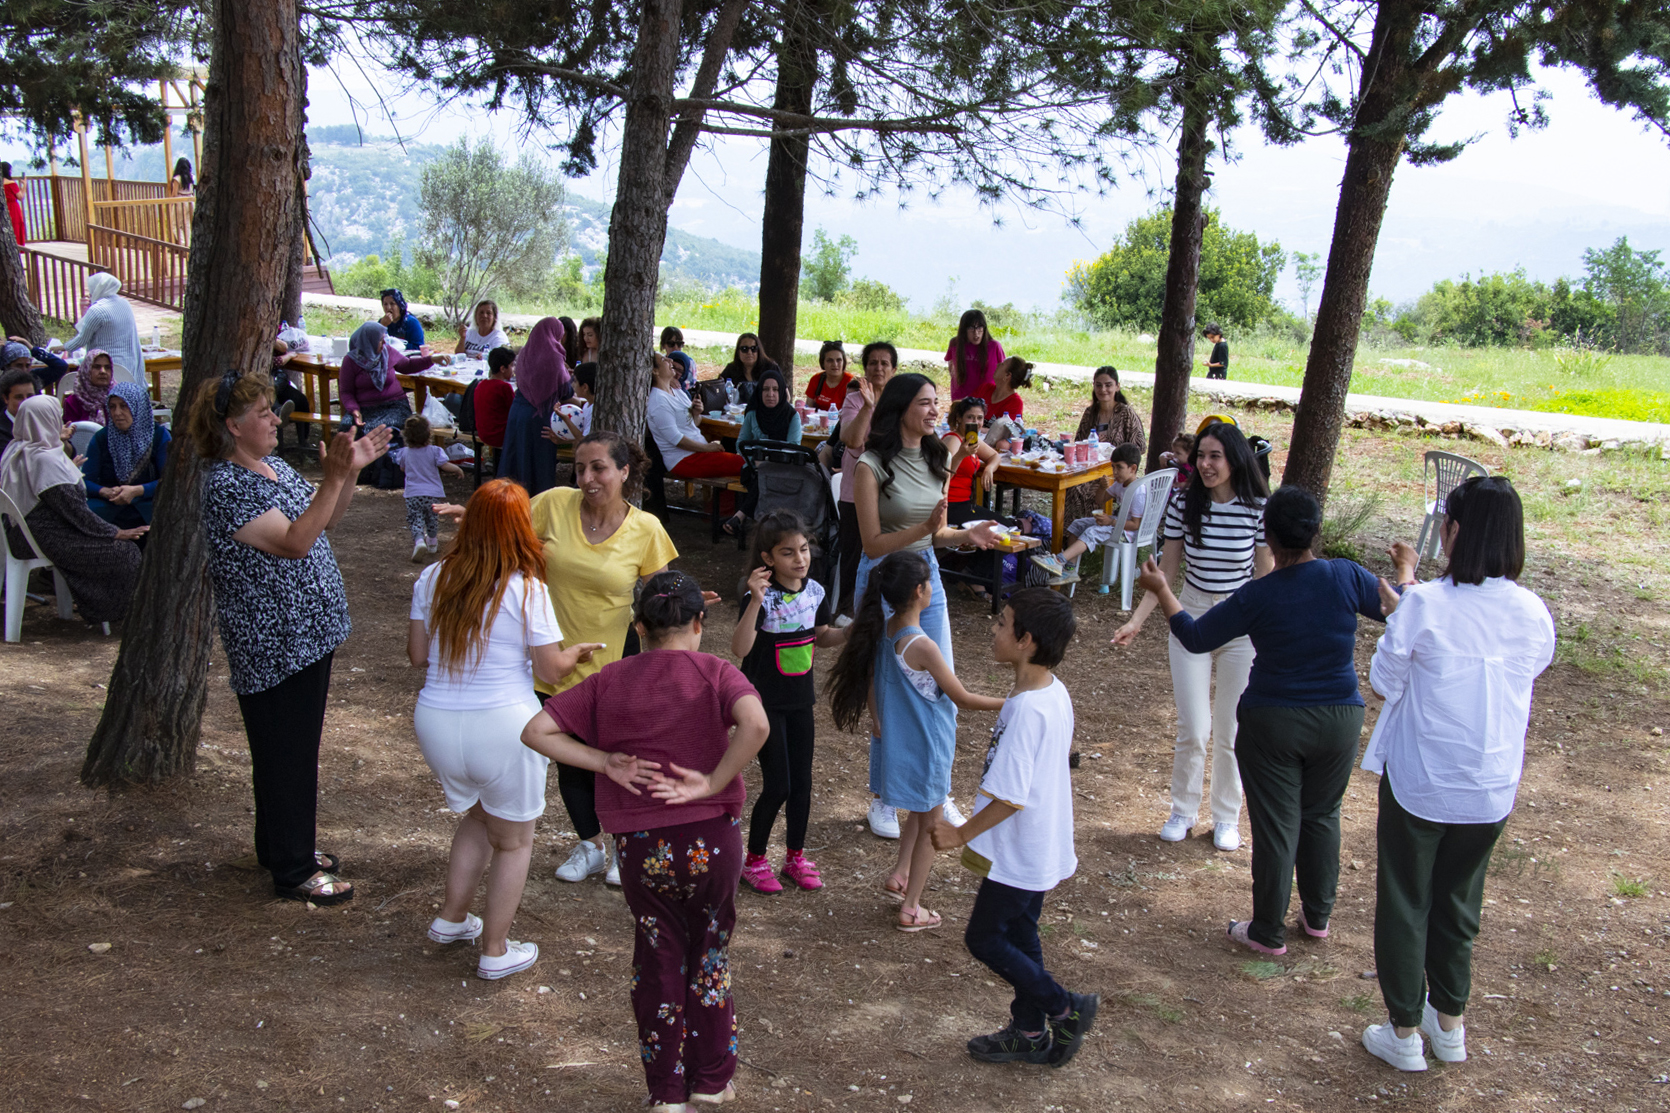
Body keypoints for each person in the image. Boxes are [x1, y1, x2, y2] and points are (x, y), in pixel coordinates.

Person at [521, 570, 769, 1112]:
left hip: (641, 846)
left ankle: (666, 1094)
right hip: (712, 839)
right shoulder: (717, 673)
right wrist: (714, 779)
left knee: (659, 956)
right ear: (699, 623)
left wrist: (603, 762)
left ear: (638, 626)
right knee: (710, 953)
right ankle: (711, 1081)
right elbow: (756, 725)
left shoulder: (609, 679)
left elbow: (536, 732)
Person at [1136, 486, 1390, 957]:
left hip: (1273, 719)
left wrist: (1164, 591)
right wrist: (1409, 574)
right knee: (1322, 815)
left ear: (1267, 535)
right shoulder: (1346, 576)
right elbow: (1397, 608)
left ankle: (1267, 931)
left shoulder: (1258, 594)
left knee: (1277, 826)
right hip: (1341, 716)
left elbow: (1194, 637)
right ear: (1317, 531)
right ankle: (1317, 918)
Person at [1358, 476, 1555, 1073]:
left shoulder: (1425, 604)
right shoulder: (1531, 612)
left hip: (1423, 780)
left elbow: (1384, 681)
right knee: (1458, 903)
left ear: (1456, 532)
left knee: (1405, 901)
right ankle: (1450, 1025)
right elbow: (1529, 671)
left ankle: (1404, 1031)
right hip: (1490, 785)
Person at [194, 368, 390, 905]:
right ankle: (293, 868)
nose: (275, 418)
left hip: (309, 635)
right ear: (233, 426)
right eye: (262, 413)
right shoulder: (227, 484)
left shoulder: (273, 466)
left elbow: (325, 519)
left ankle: (283, 845)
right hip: (275, 644)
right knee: (287, 754)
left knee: (295, 749)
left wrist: (349, 473)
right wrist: (331, 474)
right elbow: (295, 543)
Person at [408, 479, 603, 980]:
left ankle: (452, 919)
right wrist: (577, 653)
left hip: (436, 722)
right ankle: (495, 949)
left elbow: (417, 655)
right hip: (503, 726)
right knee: (514, 841)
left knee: (476, 816)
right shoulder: (526, 587)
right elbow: (552, 670)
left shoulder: (432, 577)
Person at [930, 588, 1098, 1068]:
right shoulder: (1048, 691)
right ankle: (1027, 1031)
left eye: (1002, 623)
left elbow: (1010, 796)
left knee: (983, 938)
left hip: (1020, 851)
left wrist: (958, 835)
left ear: (1025, 640)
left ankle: (1065, 1007)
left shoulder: (1026, 709)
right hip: (1036, 845)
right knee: (1022, 935)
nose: (994, 629)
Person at [853, 369, 1001, 838]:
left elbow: (936, 531)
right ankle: (883, 797)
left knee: (941, 691)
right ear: (901, 409)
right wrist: (926, 532)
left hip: (925, 581)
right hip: (883, 581)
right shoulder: (870, 466)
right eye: (925, 403)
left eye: (936, 402)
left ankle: (935, 792)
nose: (936, 411)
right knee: (890, 696)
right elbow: (873, 544)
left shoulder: (938, 456)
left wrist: (966, 534)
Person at [528, 431, 679, 887]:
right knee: (570, 758)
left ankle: (622, 844)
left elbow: (661, 597)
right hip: (549, 658)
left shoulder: (645, 528)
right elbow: (504, 536)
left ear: (624, 472)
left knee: (616, 758)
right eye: (580, 468)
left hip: (612, 665)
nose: (588, 478)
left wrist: (683, 610)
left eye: (599, 468)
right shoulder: (552, 503)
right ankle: (591, 844)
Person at [1112, 420, 1271, 851]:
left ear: (1235, 459)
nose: (1204, 464)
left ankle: (1226, 817)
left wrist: (1268, 631)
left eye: (1214, 456)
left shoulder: (1258, 506)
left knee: (1230, 727)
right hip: (1192, 616)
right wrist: (1138, 620)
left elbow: (1264, 576)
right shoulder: (1184, 503)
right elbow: (1166, 573)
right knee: (1194, 727)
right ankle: (1183, 809)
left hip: (1240, 623)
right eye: (1201, 456)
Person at [829, 551, 1004, 931]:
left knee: (921, 812)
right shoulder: (922, 645)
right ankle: (912, 907)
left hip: (905, 742)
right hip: (929, 744)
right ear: (921, 591)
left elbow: (873, 682)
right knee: (932, 821)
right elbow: (963, 698)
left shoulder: (883, 629)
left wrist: (877, 719)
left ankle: (900, 874)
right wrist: (1014, 702)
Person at [732, 511, 847, 893]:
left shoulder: (814, 592)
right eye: (787, 553)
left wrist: (853, 633)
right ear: (767, 558)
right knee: (777, 784)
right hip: (764, 705)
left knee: (802, 784)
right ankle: (755, 859)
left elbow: (823, 635)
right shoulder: (761, 597)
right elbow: (739, 648)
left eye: (803, 549)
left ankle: (795, 857)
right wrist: (754, 602)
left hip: (801, 701)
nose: (800, 559)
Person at [0, 394, 144, 624]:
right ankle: (113, 614)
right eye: (56, 418)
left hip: (18, 535)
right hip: (44, 538)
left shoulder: (17, 448)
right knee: (125, 552)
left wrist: (66, 464)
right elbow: (76, 512)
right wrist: (115, 532)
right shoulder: (46, 461)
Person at [835, 341, 897, 625]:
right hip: (856, 489)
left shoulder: (901, 401)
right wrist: (868, 406)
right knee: (853, 552)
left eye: (885, 363)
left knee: (887, 551)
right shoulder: (854, 399)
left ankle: (881, 607)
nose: (879, 367)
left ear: (894, 369)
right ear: (865, 368)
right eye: (873, 362)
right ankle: (847, 608)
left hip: (892, 489)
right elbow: (852, 439)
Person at [1033, 443, 1147, 585]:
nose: (1115, 472)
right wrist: (1102, 487)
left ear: (1133, 468)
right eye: (1113, 467)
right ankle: (1070, 570)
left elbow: (1136, 525)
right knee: (1077, 524)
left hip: (1127, 533)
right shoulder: (1120, 484)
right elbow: (1100, 500)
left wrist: (1110, 522)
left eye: (1119, 467)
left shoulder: (1137, 491)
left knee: (1092, 531)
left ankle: (1058, 560)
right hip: (1116, 524)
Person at [647, 351, 745, 504]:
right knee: (743, 465)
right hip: (684, 459)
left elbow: (693, 424)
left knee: (743, 465)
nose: (670, 360)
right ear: (655, 371)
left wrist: (696, 413)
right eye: (664, 360)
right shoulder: (658, 401)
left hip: (698, 452)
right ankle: (722, 511)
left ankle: (723, 509)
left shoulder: (677, 391)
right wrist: (707, 448)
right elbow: (676, 439)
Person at [81, 381, 170, 527]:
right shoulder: (102, 438)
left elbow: (168, 480)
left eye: (124, 406)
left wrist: (137, 491)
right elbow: (85, 480)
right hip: (110, 505)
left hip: (147, 504)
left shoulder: (159, 437)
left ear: (138, 407)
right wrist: (104, 491)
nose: (117, 413)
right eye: (112, 407)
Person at [498, 317, 571, 496]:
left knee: (517, 462)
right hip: (540, 417)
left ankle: (511, 505)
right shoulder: (554, 356)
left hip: (518, 412)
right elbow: (565, 390)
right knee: (539, 465)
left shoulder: (525, 353)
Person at [1064, 366, 1146, 522]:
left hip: (1117, 472)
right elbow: (1079, 441)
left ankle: (1092, 530)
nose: (1103, 389)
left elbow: (1140, 446)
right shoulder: (1090, 413)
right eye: (1099, 385)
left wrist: (1119, 456)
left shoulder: (1125, 413)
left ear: (1117, 386)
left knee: (1084, 490)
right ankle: (1071, 535)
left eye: (1108, 385)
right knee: (1070, 486)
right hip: (1090, 468)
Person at [338, 321, 433, 437]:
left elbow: (408, 365)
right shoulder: (350, 361)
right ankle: (353, 455)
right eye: (380, 340)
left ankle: (387, 455)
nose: (384, 343)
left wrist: (432, 360)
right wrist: (354, 410)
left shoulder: (387, 352)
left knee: (377, 430)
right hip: (364, 407)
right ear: (369, 342)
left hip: (393, 406)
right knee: (347, 428)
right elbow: (346, 392)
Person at [397, 414, 463, 561]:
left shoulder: (404, 453)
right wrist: (457, 469)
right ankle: (432, 542)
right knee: (431, 517)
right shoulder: (435, 451)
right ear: (428, 434)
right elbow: (444, 465)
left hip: (413, 494)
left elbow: (402, 468)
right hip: (432, 493)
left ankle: (419, 541)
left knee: (416, 518)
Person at [65, 274, 144, 388]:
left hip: (105, 366)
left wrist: (62, 348)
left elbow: (82, 339)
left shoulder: (97, 310)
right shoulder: (124, 303)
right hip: (130, 363)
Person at [945, 309, 1006, 400]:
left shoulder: (994, 346)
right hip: (961, 396)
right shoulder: (955, 343)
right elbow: (951, 365)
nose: (976, 333)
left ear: (984, 329)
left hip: (987, 398)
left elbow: (1004, 370)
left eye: (979, 328)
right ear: (964, 329)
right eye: (971, 328)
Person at [472, 346, 517, 467]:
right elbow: (514, 411)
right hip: (499, 435)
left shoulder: (481, 384)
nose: (513, 369)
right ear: (503, 368)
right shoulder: (504, 387)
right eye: (512, 365)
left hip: (483, 432)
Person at [62, 349, 116, 426]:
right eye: (97, 367)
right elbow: (73, 434)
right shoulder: (73, 402)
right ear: (86, 370)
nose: (103, 371)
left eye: (107, 367)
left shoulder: (117, 397)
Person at [977, 357, 1031, 426]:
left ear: (1007, 375)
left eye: (1002, 364)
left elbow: (1004, 432)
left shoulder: (1014, 403)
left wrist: (973, 428)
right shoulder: (985, 388)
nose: (997, 365)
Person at [549, 363, 595, 442]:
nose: (572, 384)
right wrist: (561, 440)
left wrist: (566, 419)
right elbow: (581, 435)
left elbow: (584, 441)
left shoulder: (593, 410)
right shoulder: (587, 405)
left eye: (575, 381)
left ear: (585, 387)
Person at [805, 341, 854, 410]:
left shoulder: (851, 382)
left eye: (839, 360)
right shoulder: (816, 379)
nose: (835, 364)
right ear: (823, 363)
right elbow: (808, 409)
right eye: (830, 360)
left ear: (844, 362)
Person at [0, 365, 34, 453]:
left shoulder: (43, 420)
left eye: (30, 396)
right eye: (19, 397)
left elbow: (69, 454)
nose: (26, 402)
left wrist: (62, 441)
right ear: (6, 398)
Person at [3, 162, 23, 245]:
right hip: (13, 207)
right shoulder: (11, 183)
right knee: (16, 226)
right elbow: (20, 197)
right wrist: (24, 185)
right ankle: (17, 246)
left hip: (4, 207)